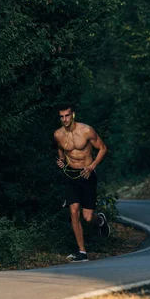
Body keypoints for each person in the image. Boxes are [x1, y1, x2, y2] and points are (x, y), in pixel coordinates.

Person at [53, 104, 110, 263]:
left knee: (87, 217)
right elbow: (60, 150)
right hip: (71, 176)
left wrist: (92, 167)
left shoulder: (86, 130)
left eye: (67, 115)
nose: (64, 119)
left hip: (87, 175)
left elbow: (103, 148)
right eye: (61, 116)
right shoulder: (58, 135)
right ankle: (82, 252)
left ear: (73, 115)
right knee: (73, 210)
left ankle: (100, 221)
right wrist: (61, 161)